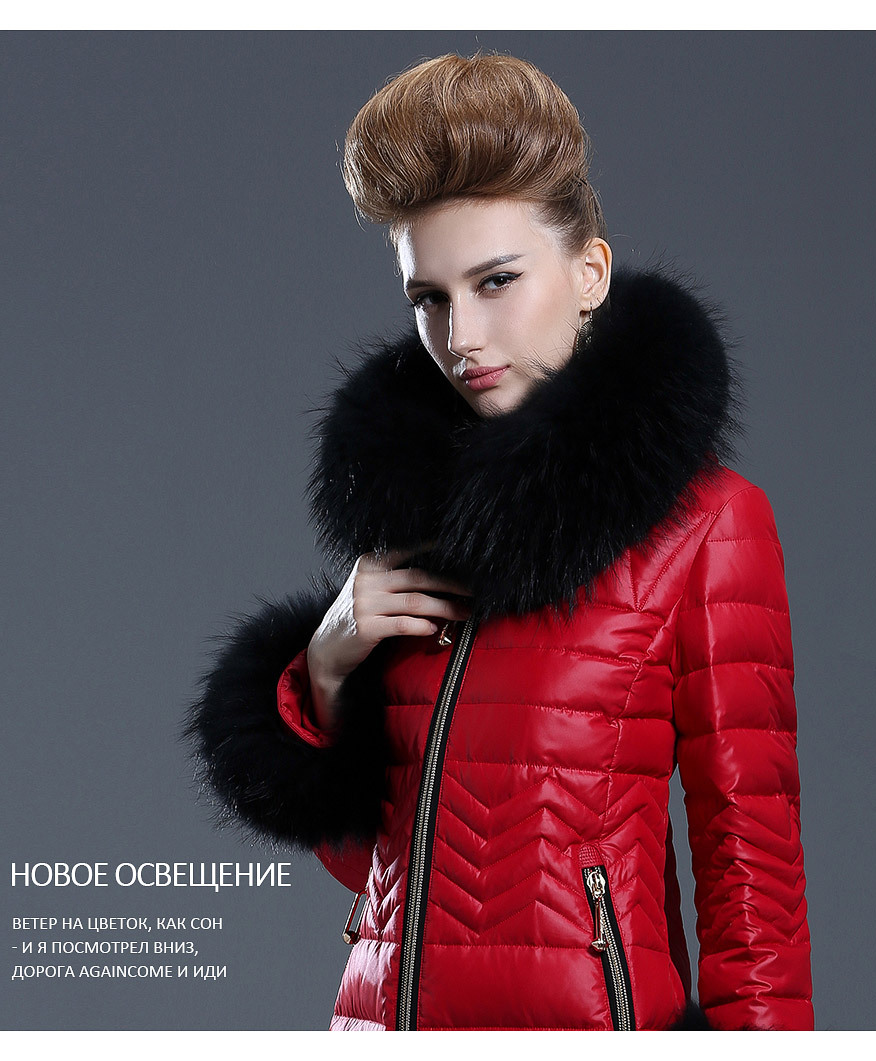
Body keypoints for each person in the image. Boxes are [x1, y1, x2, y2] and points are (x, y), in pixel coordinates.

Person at [189, 53, 813, 1031]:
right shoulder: (411, 521)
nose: (462, 336)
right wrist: (326, 664)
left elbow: (752, 865)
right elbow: (376, 865)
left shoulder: (709, 522)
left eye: (496, 281)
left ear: (589, 272)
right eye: (429, 298)